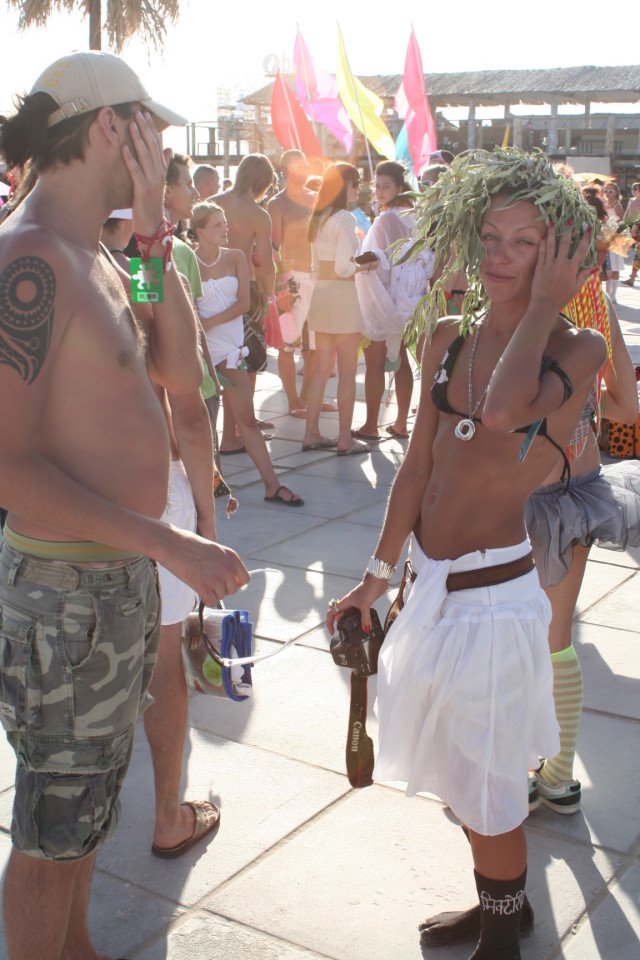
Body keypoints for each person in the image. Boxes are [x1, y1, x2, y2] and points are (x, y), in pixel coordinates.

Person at [327, 147, 607, 959]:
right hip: (431, 588)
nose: (499, 255)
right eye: (490, 237)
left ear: (561, 253)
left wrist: (545, 302)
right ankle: (501, 907)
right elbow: (418, 467)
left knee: (489, 784)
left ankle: (504, 937)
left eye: (525, 242)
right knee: (462, 771)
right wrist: (376, 578)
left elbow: (503, 413)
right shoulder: (448, 336)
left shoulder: (577, 346)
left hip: (494, 598)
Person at [0, 50, 249, 960]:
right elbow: (6, 465)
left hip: (109, 587)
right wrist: (168, 542)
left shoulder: (95, 251)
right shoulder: (31, 261)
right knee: (51, 830)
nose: (165, 149)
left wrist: (151, 235)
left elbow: (174, 368)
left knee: (88, 810)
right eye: (152, 128)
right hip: (67, 598)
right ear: (111, 126)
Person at [526, 193, 640, 815]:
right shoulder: (595, 306)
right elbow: (626, 407)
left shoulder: (514, 308)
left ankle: (526, 766)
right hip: (577, 490)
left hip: (519, 497)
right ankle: (558, 773)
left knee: (511, 632)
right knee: (555, 634)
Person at [190, 201, 304, 506]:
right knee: (204, 421)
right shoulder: (186, 258)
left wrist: (208, 323)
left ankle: (272, 485)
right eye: (217, 224)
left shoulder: (236, 256)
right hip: (198, 349)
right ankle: (214, 485)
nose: (225, 228)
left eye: (225, 222)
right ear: (199, 230)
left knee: (248, 420)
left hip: (231, 349)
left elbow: (243, 303)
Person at [301, 163, 379, 456]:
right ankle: (345, 438)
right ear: (345, 184)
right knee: (347, 372)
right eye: (355, 182)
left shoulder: (318, 216)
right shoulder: (345, 218)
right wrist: (367, 265)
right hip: (343, 297)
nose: (358, 188)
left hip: (321, 296)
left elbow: (315, 268)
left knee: (321, 370)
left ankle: (311, 433)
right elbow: (344, 268)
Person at [353, 160, 434, 441]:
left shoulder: (386, 219)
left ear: (400, 187)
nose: (379, 191)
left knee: (375, 362)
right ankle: (401, 423)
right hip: (411, 298)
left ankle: (370, 425)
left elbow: (382, 263)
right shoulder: (416, 215)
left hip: (384, 297)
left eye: (386, 186)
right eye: (377, 186)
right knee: (401, 360)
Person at [268, 149, 336, 417]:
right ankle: (294, 401)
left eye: (305, 165)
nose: (304, 169)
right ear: (285, 170)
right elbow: (273, 247)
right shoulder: (277, 204)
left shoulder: (317, 198)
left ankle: (309, 399)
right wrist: (279, 285)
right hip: (292, 278)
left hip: (320, 278)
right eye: (298, 165)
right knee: (288, 344)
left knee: (317, 345)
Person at [213, 154, 276, 442]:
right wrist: (267, 294)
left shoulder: (214, 203)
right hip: (243, 287)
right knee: (246, 362)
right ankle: (239, 428)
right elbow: (266, 264)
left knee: (220, 359)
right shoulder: (258, 215)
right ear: (264, 183)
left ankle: (231, 429)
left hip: (211, 285)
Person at [601, 180, 624, 302]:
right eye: (606, 191)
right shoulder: (604, 204)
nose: (608, 193)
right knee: (607, 268)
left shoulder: (617, 206)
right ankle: (607, 295)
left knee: (615, 266)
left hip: (614, 239)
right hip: (605, 238)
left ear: (616, 192)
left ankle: (613, 295)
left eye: (611, 191)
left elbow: (621, 223)